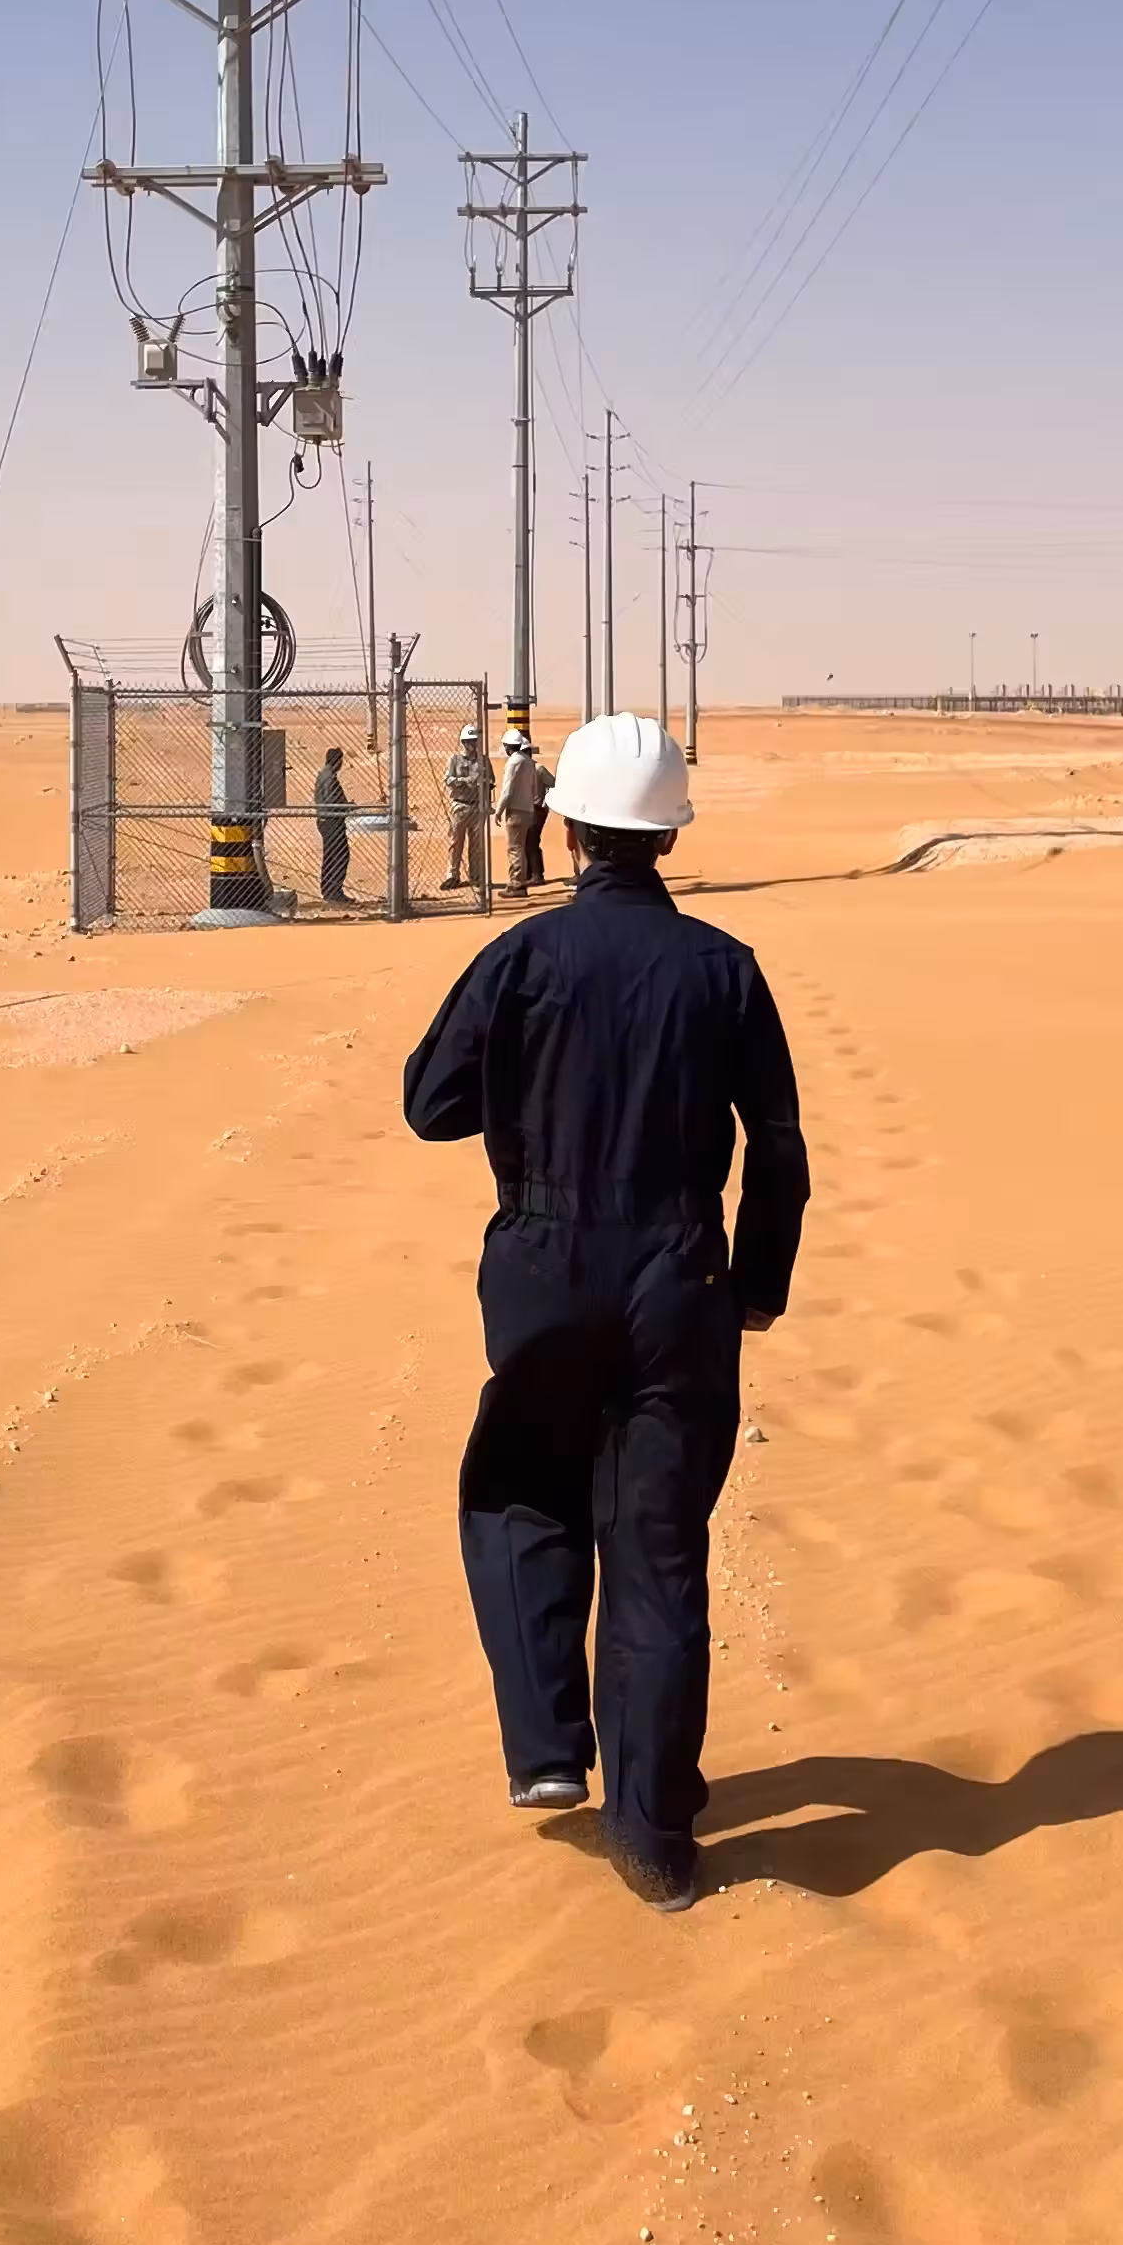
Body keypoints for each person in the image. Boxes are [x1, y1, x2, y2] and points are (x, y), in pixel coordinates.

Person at [401, 711, 808, 1910]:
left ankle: (543, 1749)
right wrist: (759, 1285)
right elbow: (776, 1147)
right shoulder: (723, 967)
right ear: (669, 837)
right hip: (680, 1271)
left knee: (521, 1485)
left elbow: (431, 1104)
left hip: (542, 1260)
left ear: (567, 827)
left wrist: (539, 1077)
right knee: (659, 1550)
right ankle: (654, 1835)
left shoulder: (521, 961)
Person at [440, 723, 493, 892]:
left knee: (476, 844)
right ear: (462, 742)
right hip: (460, 806)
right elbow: (447, 780)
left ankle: (476, 876)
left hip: (477, 807)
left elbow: (491, 781)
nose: (471, 745)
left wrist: (483, 784)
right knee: (456, 842)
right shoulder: (455, 760)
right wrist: (464, 781)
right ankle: (452, 875)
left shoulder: (483, 760)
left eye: (474, 741)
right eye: (468, 742)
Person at [499, 733, 555, 894]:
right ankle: (529, 875)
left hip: (534, 809)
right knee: (526, 844)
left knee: (526, 844)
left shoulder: (532, 767)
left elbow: (552, 785)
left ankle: (528, 878)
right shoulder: (529, 766)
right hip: (529, 809)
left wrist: (544, 803)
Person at [312, 743, 353, 908]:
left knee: (330, 855)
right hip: (332, 821)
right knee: (341, 855)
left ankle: (328, 889)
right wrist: (346, 807)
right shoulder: (329, 778)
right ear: (338, 761)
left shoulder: (324, 775)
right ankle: (335, 890)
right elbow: (331, 802)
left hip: (326, 821)